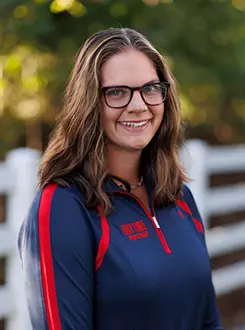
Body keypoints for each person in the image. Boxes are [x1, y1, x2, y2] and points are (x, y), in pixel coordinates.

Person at [18, 27, 223, 330]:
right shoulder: (62, 208)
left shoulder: (179, 197)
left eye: (150, 88)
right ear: (89, 103)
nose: (138, 105)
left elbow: (208, 323)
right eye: (116, 92)